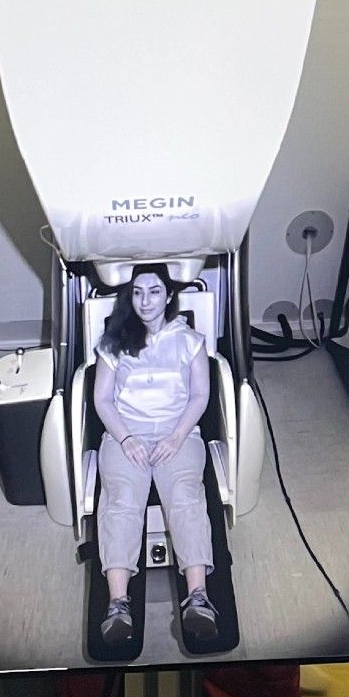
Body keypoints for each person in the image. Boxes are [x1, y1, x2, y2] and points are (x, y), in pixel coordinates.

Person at [92, 265, 217, 651]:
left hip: (177, 435)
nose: (146, 301)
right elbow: (101, 399)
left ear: (168, 296)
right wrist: (126, 437)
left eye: (154, 291)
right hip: (123, 434)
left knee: (185, 498)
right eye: (138, 293)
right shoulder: (113, 343)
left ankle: (198, 598)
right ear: (130, 298)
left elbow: (199, 396)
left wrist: (177, 437)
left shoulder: (190, 340)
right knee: (121, 503)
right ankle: (117, 605)